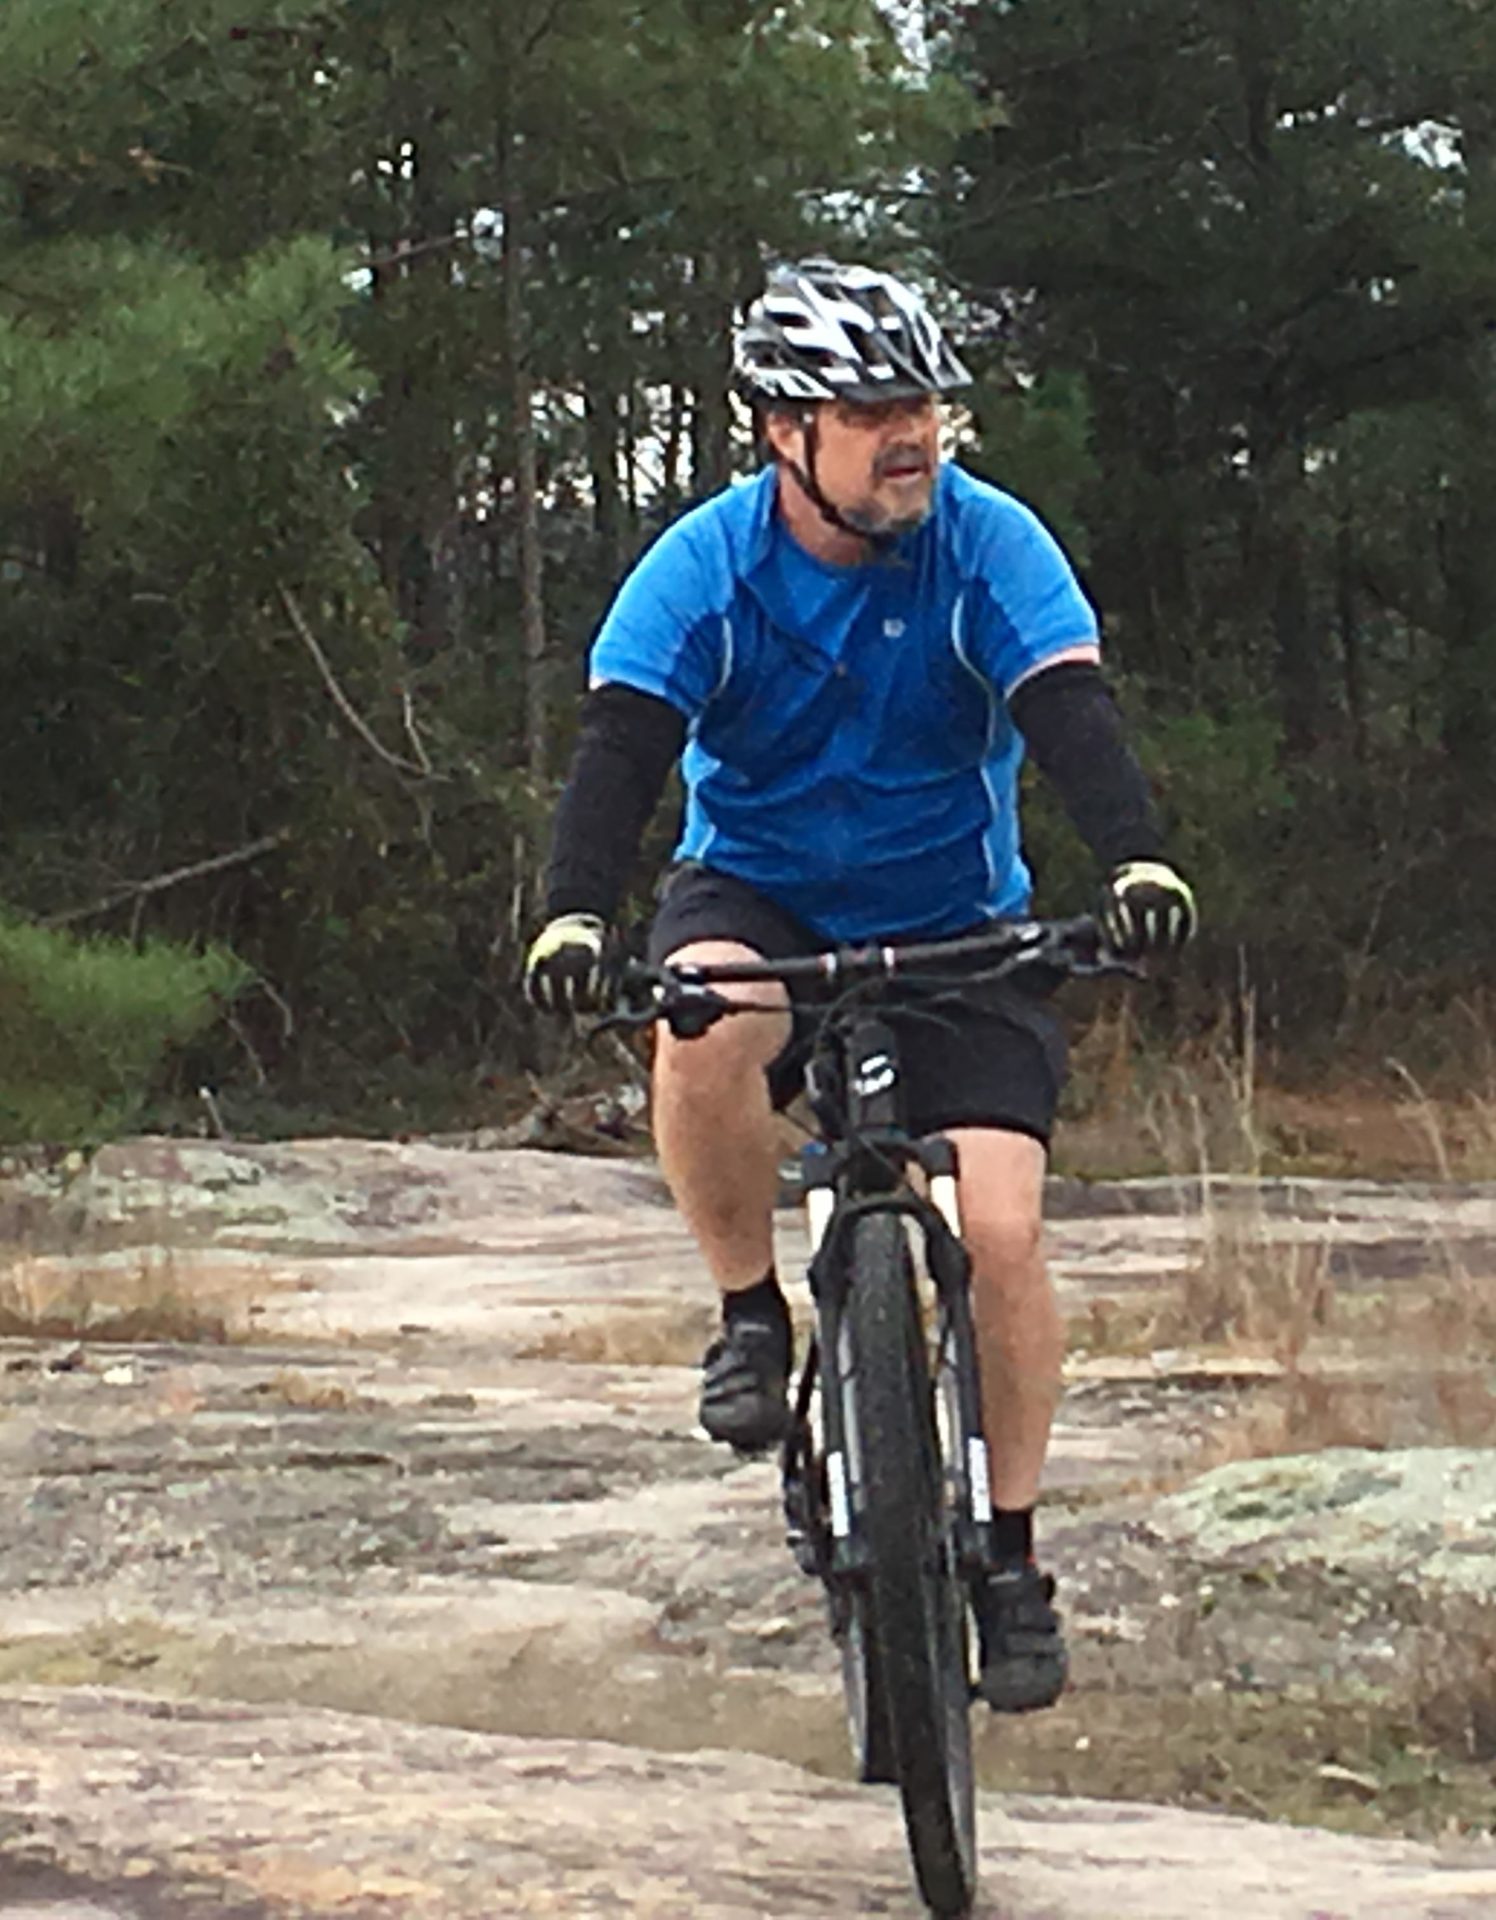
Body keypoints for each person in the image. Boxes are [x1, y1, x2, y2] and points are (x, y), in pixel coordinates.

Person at [520, 259, 1196, 1715]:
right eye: (873, 408)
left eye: (925, 405)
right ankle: (752, 1313)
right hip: (761, 892)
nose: (912, 435)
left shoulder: (990, 544)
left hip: (958, 920)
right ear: (784, 431)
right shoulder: (702, 568)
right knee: (698, 1010)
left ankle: (1010, 1558)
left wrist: (1138, 862)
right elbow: (622, 751)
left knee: (1003, 1233)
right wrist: (574, 917)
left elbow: (1066, 710)